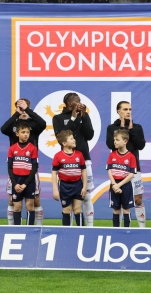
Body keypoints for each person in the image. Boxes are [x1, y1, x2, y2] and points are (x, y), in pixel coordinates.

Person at [0, 98, 45, 225]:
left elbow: (43, 123)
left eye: (25, 107)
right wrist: (17, 114)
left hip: (30, 166)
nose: (25, 134)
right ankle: (12, 227)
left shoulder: (34, 124)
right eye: (20, 107)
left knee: (35, 200)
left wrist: (28, 111)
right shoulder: (14, 125)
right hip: (15, 167)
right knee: (12, 201)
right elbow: (3, 129)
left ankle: (38, 227)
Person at [52, 92, 94, 226]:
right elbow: (61, 137)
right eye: (77, 101)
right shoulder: (58, 118)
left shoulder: (84, 115)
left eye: (80, 100)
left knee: (86, 195)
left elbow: (90, 135)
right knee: (68, 203)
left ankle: (90, 227)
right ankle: (69, 230)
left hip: (84, 159)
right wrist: (74, 118)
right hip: (68, 163)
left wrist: (84, 116)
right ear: (70, 103)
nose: (80, 103)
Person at [106, 101, 146, 227]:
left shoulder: (137, 127)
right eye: (125, 109)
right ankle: (119, 229)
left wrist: (131, 131)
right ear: (118, 111)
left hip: (133, 169)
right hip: (118, 170)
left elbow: (141, 145)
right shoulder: (112, 128)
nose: (128, 111)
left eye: (130, 109)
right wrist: (122, 130)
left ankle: (142, 228)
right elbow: (110, 145)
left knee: (138, 199)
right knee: (119, 203)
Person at [51, 130, 87, 226]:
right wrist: (55, 190)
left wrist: (84, 187)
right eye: (71, 138)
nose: (74, 140)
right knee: (66, 210)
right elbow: (54, 173)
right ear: (64, 143)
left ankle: (81, 232)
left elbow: (83, 170)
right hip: (64, 186)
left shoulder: (79, 155)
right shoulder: (58, 156)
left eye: (73, 138)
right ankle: (65, 233)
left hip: (78, 185)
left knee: (78, 210)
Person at [7, 122, 38, 225]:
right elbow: (9, 167)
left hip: (29, 181)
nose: (26, 134)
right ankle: (17, 230)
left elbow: (34, 168)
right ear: (17, 134)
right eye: (23, 132)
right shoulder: (12, 149)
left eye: (28, 132)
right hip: (16, 180)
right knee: (17, 207)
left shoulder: (33, 148)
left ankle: (29, 231)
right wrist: (15, 184)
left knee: (30, 206)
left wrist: (25, 184)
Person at [107, 129, 136, 227]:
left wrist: (119, 185)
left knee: (126, 209)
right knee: (116, 209)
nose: (115, 141)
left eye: (117, 139)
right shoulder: (112, 155)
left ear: (125, 141)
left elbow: (132, 174)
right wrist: (114, 185)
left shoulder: (131, 156)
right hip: (114, 184)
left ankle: (127, 231)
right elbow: (109, 170)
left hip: (125, 185)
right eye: (114, 139)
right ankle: (116, 231)